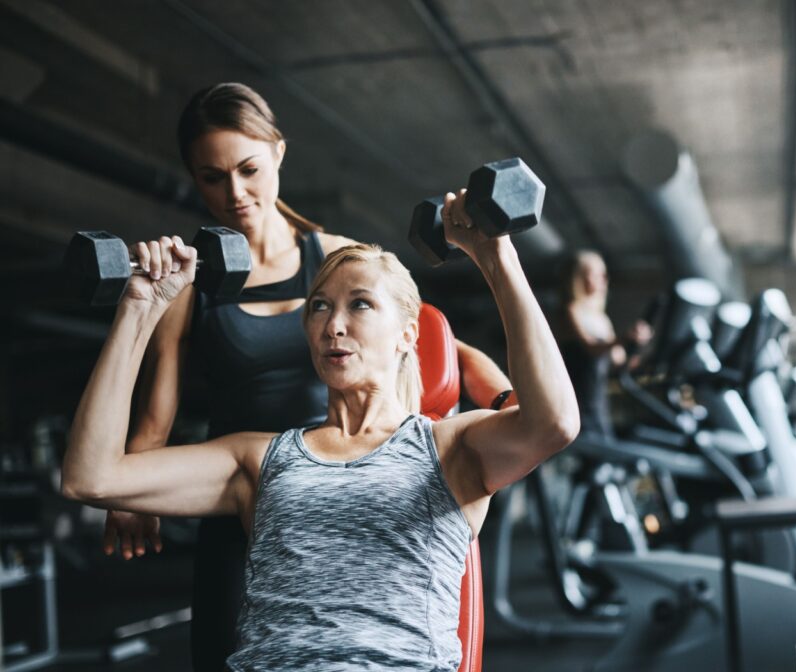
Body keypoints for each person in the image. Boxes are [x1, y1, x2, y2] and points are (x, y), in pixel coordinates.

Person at [62, 191, 580, 670]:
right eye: (319, 307)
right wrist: (140, 307)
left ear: (407, 334)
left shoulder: (449, 448)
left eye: (360, 303)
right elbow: (92, 477)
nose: (333, 325)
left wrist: (495, 257)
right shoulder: (259, 459)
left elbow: (554, 422)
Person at [102, 82, 517, 671]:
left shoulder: (335, 259)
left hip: (342, 485)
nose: (235, 193)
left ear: (278, 152)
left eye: (248, 169)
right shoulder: (188, 283)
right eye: (213, 178)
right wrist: (129, 490)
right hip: (241, 487)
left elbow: (438, 342)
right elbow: (154, 416)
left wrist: (507, 402)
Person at [557, 250, 650, 438]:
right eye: (596, 274)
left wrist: (636, 346)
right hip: (576, 396)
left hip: (596, 397)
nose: (603, 279)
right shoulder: (572, 310)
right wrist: (623, 338)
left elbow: (617, 359)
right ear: (579, 278)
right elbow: (591, 348)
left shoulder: (601, 318)